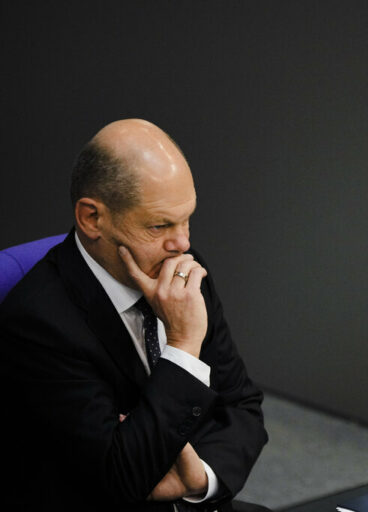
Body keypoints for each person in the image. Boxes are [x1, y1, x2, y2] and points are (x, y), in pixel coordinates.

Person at [0, 119, 268, 511]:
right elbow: (122, 478)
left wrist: (201, 478)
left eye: (187, 219)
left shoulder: (181, 271)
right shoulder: (39, 322)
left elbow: (242, 405)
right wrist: (183, 345)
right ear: (92, 219)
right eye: (160, 225)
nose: (183, 244)